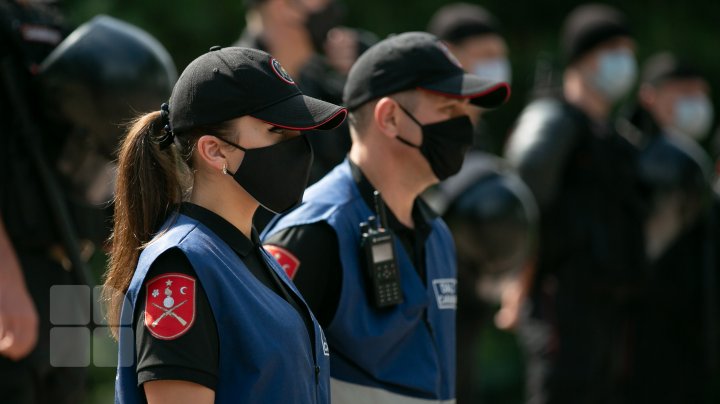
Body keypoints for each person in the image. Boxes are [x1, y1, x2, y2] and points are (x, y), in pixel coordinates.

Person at [262, 32, 510, 403]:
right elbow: (263, 375)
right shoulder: (312, 232)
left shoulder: (439, 233)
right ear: (391, 117)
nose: (465, 127)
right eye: (449, 111)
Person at [104, 46, 347, 403]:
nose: (300, 146)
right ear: (215, 151)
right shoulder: (180, 266)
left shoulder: (248, 253)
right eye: (279, 130)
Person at [1, 3, 175, 403]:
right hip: (13, 269)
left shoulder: (51, 32)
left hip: (65, 272)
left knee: (64, 391)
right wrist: (5, 284)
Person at [504, 4, 646, 403]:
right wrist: (516, 285)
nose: (625, 61)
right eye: (614, 49)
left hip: (611, 312)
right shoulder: (554, 126)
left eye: (628, 51)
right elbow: (525, 209)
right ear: (583, 56)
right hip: (559, 308)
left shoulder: (616, 140)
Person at [617, 52, 719, 403]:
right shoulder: (628, 154)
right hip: (644, 333)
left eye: (700, 93)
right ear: (651, 96)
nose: (696, 102)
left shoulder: (698, 161)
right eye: (684, 92)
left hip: (695, 333)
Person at [427, 2, 510, 151]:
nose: (497, 65)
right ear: (448, 54)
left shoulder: (479, 133)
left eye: (501, 57)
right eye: (487, 55)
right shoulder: (428, 132)